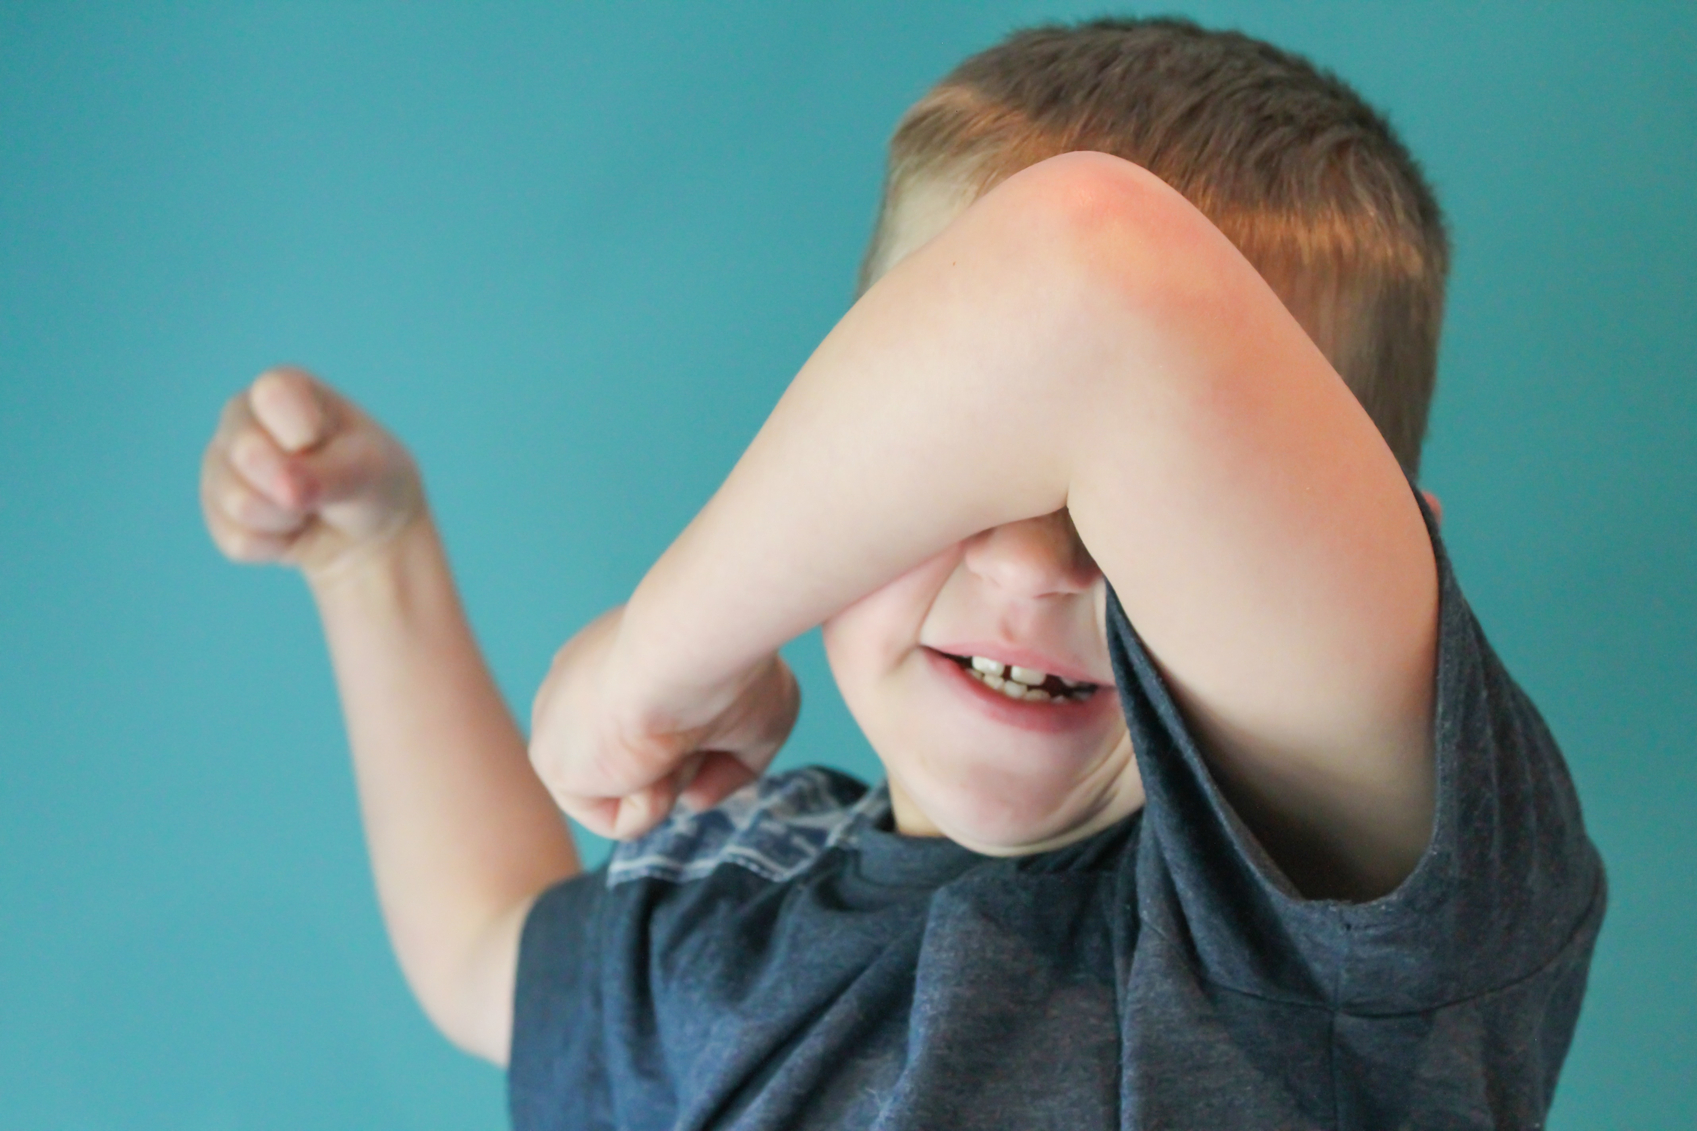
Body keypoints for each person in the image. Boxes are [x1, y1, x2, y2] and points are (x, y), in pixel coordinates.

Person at [198, 16, 1604, 1129]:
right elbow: (485, 947)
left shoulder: (1340, 925)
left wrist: (650, 662)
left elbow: (1098, 280)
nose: (1034, 555)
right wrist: (371, 563)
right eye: (969, 465)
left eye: (1134, 507)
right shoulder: (751, 883)